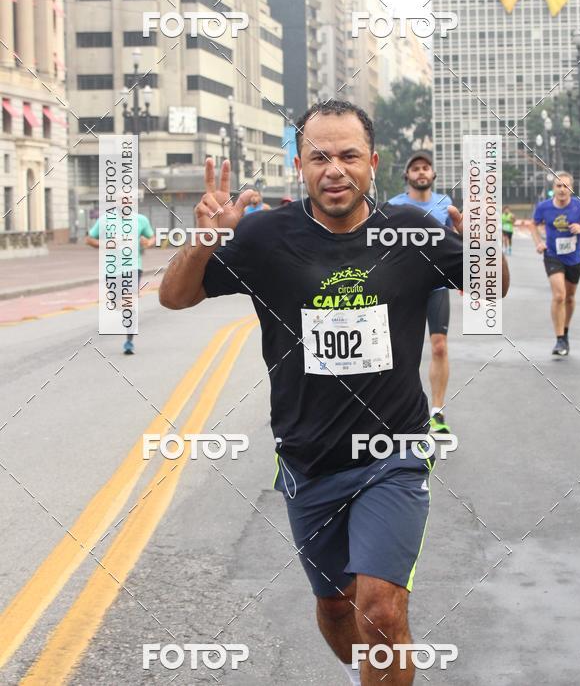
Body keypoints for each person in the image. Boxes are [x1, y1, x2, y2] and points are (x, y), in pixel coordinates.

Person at [159, 100, 510, 686]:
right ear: (300, 165)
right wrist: (201, 242)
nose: (335, 169)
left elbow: (491, 286)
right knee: (334, 610)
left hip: (392, 453)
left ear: (373, 162)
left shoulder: (412, 230)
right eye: (320, 156)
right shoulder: (264, 236)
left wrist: (480, 241)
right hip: (308, 457)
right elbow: (174, 297)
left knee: (380, 612)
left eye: (349, 155)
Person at [388, 151, 454, 437]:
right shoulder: (393, 206)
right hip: (402, 288)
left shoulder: (445, 204)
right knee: (398, 351)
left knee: (439, 347)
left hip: (435, 285)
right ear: (407, 175)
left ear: (433, 174)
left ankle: (437, 412)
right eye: (415, 168)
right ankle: (396, 411)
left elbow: (453, 242)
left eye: (426, 168)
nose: (421, 172)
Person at [530, 171, 580, 357]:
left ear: (571, 189)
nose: (562, 190)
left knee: (569, 297)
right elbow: (533, 224)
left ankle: (565, 332)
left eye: (565, 186)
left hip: (574, 258)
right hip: (553, 255)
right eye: (558, 186)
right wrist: (539, 242)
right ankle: (559, 338)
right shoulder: (544, 207)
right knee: (559, 295)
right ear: (554, 188)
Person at [86, 211, 155, 354]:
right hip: (111, 270)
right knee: (118, 305)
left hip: (133, 267)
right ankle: (124, 307)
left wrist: (148, 242)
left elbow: (152, 237)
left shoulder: (141, 219)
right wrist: (106, 244)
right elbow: (89, 239)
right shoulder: (105, 220)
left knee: (128, 302)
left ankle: (129, 341)